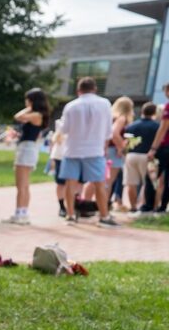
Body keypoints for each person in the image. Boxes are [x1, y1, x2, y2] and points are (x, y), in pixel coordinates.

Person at [59, 77, 118, 227]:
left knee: (70, 183)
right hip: (95, 149)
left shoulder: (71, 106)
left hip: (73, 148)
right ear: (95, 89)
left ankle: (70, 214)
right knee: (99, 184)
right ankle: (103, 216)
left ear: (79, 90)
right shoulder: (105, 104)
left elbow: (64, 129)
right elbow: (108, 131)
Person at [3, 88, 50, 225]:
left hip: (27, 150)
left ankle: (20, 213)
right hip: (27, 148)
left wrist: (29, 107)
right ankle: (23, 212)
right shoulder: (36, 115)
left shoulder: (36, 114)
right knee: (24, 184)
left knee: (21, 184)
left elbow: (17, 116)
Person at [123, 102, 159, 212]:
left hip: (131, 155)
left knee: (131, 183)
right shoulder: (156, 126)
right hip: (147, 156)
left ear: (142, 111)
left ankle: (133, 207)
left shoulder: (131, 126)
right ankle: (143, 206)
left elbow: (127, 142)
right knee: (148, 183)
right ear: (154, 112)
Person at [107, 96, 134, 211]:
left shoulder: (111, 117)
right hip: (113, 151)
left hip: (106, 149)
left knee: (103, 181)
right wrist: (121, 146)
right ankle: (105, 208)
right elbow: (114, 133)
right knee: (109, 182)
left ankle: (103, 206)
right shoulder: (122, 118)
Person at [148, 85, 169, 212]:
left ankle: (148, 207)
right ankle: (162, 208)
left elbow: (163, 128)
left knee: (153, 176)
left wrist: (153, 148)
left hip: (165, 146)